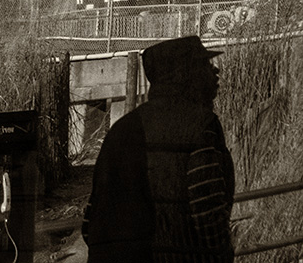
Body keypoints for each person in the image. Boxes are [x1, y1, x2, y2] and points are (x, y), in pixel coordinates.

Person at [82, 35, 235, 263]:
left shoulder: (120, 130)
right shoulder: (201, 126)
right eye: (205, 64)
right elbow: (209, 218)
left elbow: (91, 218)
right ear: (186, 74)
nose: (215, 72)